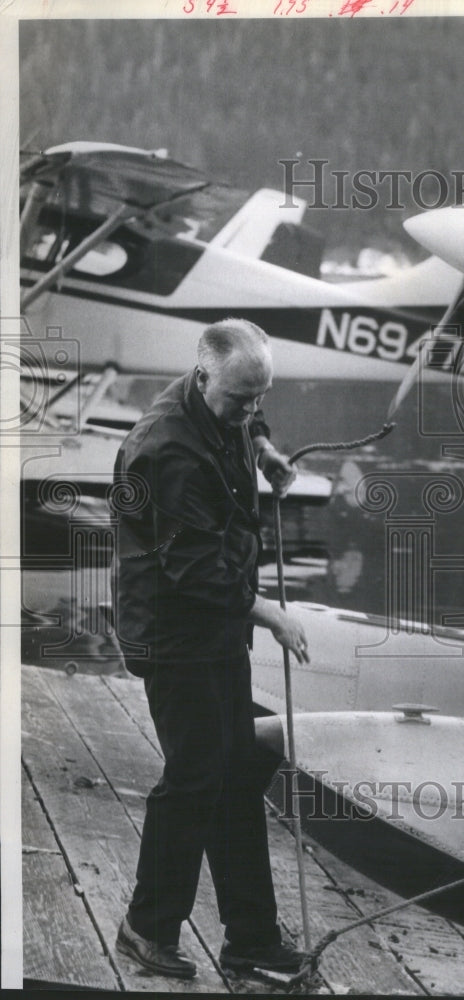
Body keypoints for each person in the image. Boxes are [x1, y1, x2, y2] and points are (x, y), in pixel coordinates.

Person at [110, 318, 309, 980]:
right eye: (241, 399)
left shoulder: (226, 401)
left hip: (216, 625)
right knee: (197, 775)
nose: (251, 410)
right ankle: (146, 926)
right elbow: (192, 570)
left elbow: (243, 419)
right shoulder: (166, 451)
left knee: (237, 770)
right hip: (173, 629)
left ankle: (249, 938)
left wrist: (264, 448)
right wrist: (271, 615)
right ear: (202, 379)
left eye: (261, 397)